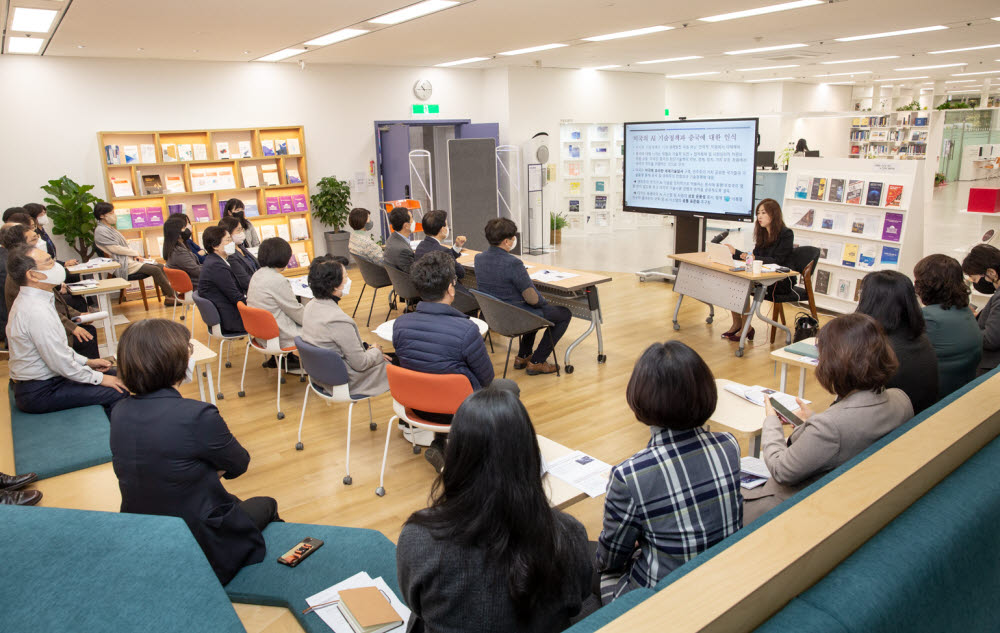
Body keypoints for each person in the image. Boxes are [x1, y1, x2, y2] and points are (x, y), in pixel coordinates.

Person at [397, 388, 591, 633]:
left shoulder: (419, 538)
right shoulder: (570, 535)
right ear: (530, 455)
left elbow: (415, 603)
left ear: (456, 456)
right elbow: (578, 601)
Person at [110, 318, 280, 585]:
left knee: (232, 500)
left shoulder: (119, 411)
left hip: (143, 528)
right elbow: (239, 463)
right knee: (267, 504)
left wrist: (192, 472)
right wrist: (203, 472)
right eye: (187, 348)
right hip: (198, 537)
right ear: (172, 360)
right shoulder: (196, 415)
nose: (190, 354)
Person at [596, 341, 742, 603]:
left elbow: (609, 559)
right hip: (723, 580)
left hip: (663, 599)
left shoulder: (630, 475)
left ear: (639, 396)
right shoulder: (729, 445)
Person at [743, 313, 914, 523]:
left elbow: (780, 470)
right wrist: (811, 421)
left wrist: (771, 422)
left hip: (790, 511)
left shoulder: (830, 427)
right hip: (848, 498)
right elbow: (846, 437)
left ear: (834, 364)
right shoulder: (901, 400)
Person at [393, 251, 521, 471]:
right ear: (451, 289)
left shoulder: (400, 324)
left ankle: (440, 443)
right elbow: (487, 378)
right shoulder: (466, 329)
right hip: (459, 412)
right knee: (508, 387)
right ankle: (491, 455)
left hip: (416, 407)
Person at [6, 245, 128, 415]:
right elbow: (59, 362)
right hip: (40, 391)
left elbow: (58, 351)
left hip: (49, 379)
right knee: (118, 390)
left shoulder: (38, 300)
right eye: (49, 263)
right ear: (32, 275)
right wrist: (100, 379)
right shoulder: (35, 311)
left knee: (121, 375)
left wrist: (88, 362)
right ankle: (116, 438)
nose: (56, 266)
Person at [474, 218, 570, 375]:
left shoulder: (479, 258)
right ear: (506, 241)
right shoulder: (513, 263)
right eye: (513, 237)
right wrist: (544, 302)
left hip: (494, 317)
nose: (514, 240)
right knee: (564, 313)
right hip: (514, 318)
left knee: (528, 309)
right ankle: (537, 362)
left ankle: (523, 356)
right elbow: (532, 299)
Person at [3, 225, 99, 359]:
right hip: (49, 338)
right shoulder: (22, 277)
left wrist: (77, 315)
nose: (40, 242)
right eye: (34, 239)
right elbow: (46, 313)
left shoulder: (34, 271)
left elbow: (55, 302)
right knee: (87, 337)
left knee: (89, 333)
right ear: (22, 246)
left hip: (57, 326)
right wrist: (73, 327)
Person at [302, 255, 389, 392]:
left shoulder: (310, 306)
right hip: (344, 381)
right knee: (398, 365)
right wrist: (376, 351)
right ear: (335, 286)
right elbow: (361, 363)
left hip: (320, 374)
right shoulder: (338, 320)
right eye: (346, 277)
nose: (349, 281)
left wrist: (368, 349)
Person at [856, 270, 939, 413]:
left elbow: (852, 407)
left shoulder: (878, 349)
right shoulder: (920, 339)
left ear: (870, 301)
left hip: (892, 425)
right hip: (917, 417)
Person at [723, 198, 794, 341]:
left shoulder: (786, 234)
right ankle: (739, 324)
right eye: (758, 213)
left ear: (773, 215)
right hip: (761, 277)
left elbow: (778, 260)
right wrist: (735, 252)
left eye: (763, 213)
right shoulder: (762, 234)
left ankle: (746, 327)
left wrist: (754, 258)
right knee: (734, 282)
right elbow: (754, 256)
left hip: (779, 281)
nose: (759, 217)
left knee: (742, 285)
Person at [914, 254, 982, 397]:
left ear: (926, 285)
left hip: (932, 398)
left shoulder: (928, 318)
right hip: (959, 391)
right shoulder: (965, 311)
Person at [92, 202, 176, 300]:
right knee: (155, 270)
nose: (114, 215)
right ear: (102, 216)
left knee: (161, 266)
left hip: (129, 259)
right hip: (121, 263)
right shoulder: (100, 230)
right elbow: (114, 249)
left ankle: (168, 296)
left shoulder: (110, 229)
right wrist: (134, 253)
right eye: (111, 213)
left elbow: (123, 247)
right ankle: (172, 295)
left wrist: (134, 255)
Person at [247, 237, 303, 371]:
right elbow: (295, 312)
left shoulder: (257, 274)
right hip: (277, 335)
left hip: (260, 333)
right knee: (321, 326)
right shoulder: (277, 280)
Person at [197, 226, 246, 335]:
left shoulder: (213, 261)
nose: (231, 242)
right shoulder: (217, 266)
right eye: (228, 240)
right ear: (215, 246)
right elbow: (235, 296)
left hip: (226, 313)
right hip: (230, 320)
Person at [961, 244, 1000, 375]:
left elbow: (991, 339)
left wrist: (967, 328)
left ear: (991, 273)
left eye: (975, 279)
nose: (975, 283)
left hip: (990, 368)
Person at [218, 216, 260, 292]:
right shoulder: (229, 254)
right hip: (250, 291)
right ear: (228, 233)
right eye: (238, 230)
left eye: (242, 229)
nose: (242, 233)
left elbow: (257, 265)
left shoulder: (241, 246)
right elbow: (245, 281)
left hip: (259, 284)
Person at [162, 214, 201, 284]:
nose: (187, 229)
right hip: (196, 283)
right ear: (177, 232)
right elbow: (197, 271)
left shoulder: (178, 247)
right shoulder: (178, 252)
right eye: (184, 227)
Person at [383, 206, 415, 273]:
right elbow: (415, 273)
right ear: (406, 225)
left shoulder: (391, 239)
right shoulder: (403, 250)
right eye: (412, 218)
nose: (414, 222)